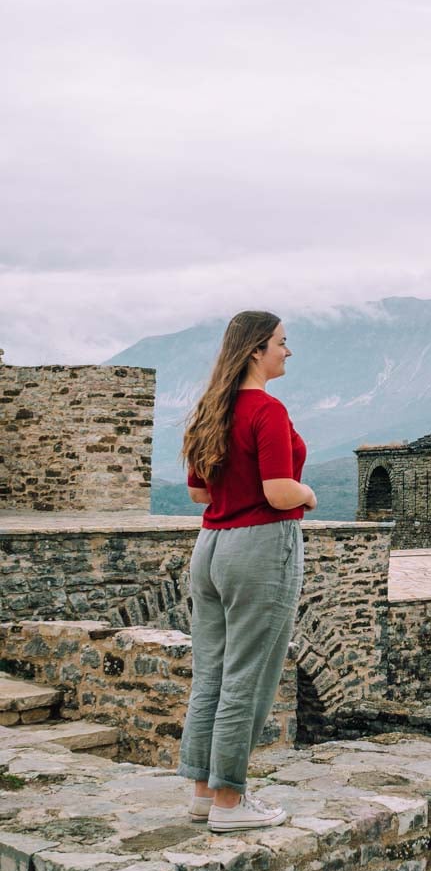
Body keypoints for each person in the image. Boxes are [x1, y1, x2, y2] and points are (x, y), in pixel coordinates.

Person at [176, 311, 316, 832]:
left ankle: (202, 793)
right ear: (257, 349)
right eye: (282, 342)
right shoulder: (267, 410)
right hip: (259, 546)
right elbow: (279, 492)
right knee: (247, 677)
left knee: (211, 674)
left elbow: (199, 493)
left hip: (211, 547)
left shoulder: (211, 409)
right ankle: (230, 802)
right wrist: (308, 493)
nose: (288, 351)